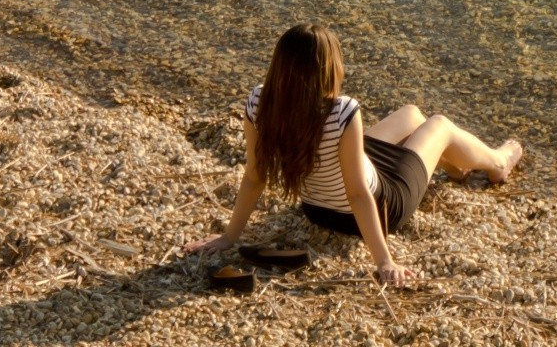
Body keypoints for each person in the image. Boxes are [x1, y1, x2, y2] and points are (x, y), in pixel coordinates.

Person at [182, 23, 523, 286]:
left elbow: (254, 176)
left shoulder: (259, 102)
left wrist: (230, 237)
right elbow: (359, 194)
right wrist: (384, 261)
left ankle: (455, 166)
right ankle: (497, 163)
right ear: (328, 69)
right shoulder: (342, 111)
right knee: (439, 124)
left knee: (411, 115)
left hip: (317, 209)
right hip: (384, 204)